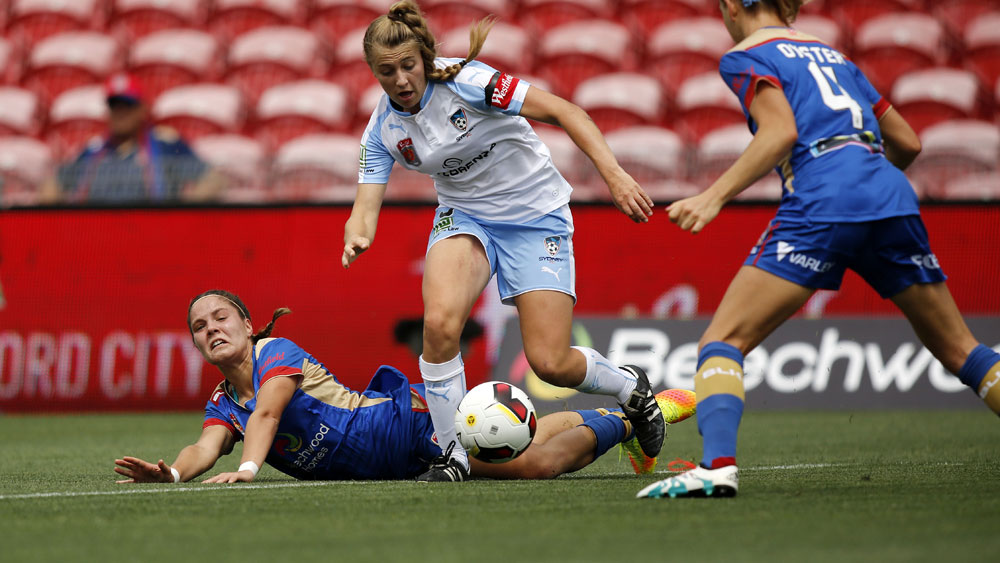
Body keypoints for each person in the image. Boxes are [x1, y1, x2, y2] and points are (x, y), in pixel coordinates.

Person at [637, 0, 1000, 499]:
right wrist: (866, 182)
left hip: (824, 194)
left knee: (722, 343)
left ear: (731, 7)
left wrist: (711, 196)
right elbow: (909, 144)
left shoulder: (744, 55)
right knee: (962, 349)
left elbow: (781, 131)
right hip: (889, 193)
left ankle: (716, 468)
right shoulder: (835, 55)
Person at [342, 0, 664, 482]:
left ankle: (630, 388)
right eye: (387, 72)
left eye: (408, 66)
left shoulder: (469, 83)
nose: (401, 80)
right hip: (466, 217)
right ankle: (453, 454)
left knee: (551, 362)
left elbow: (563, 110)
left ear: (423, 59)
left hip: (536, 215)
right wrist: (357, 234)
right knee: (439, 324)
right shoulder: (382, 130)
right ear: (374, 72)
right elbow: (364, 208)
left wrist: (614, 177)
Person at [113, 290, 694, 485]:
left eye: (220, 318)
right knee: (526, 442)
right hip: (394, 465)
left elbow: (267, 416)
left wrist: (247, 471)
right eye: (199, 327)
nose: (210, 329)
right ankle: (613, 420)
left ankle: (634, 418)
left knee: (529, 469)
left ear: (247, 323)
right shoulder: (222, 402)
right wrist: (171, 473)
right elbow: (203, 448)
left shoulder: (276, 355)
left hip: (408, 422)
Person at [39, 72, 226, 204]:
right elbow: (53, 184)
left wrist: (179, 216)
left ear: (142, 109)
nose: (120, 113)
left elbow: (213, 178)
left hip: (151, 239)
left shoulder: (164, 145)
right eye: (115, 107)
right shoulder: (94, 150)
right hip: (97, 241)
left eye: (127, 106)